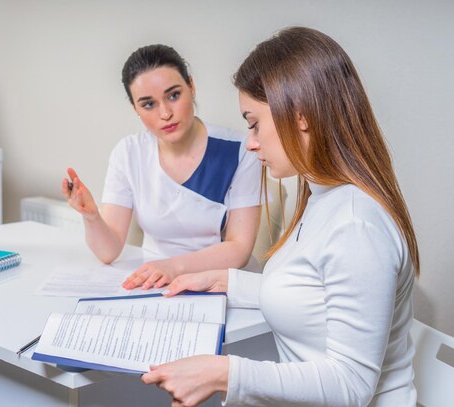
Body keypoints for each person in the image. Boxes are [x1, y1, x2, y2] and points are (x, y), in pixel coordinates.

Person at [141, 27, 420, 406]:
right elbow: (314, 295)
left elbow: (351, 385)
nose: (251, 141)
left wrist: (223, 372)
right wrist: (225, 281)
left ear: (300, 116)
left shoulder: (356, 224)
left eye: (254, 122)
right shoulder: (322, 198)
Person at [62, 44, 263, 290]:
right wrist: (92, 217)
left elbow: (239, 249)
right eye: (148, 104)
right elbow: (109, 251)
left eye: (174, 95)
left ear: (191, 86)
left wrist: (173, 267)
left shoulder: (241, 150)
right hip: (154, 282)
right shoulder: (128, 153)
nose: (165, 113)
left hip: (219, 282)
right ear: (135, 108)